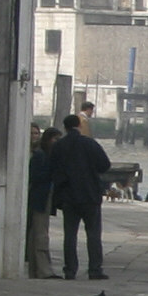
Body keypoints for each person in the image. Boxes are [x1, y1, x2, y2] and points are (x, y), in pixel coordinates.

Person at [52, 111, 113, 281]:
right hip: (89, 194)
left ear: (64, 127)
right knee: (93, 233)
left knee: (70, 235)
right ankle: (95, 269)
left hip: (68, 196)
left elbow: (53, 169)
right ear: (79, 126)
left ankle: (70, 270)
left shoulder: (59, 146)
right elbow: (105, 165)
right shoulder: (89, 144)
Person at [23, 125, 60, 278]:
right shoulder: (41, 156)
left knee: (36, 233)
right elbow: (35, 177)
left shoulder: (44, 155)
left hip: (41, 198)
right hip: (40, 198)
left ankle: (38, 269)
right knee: (39, 234)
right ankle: (43, 270)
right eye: (55, 139)